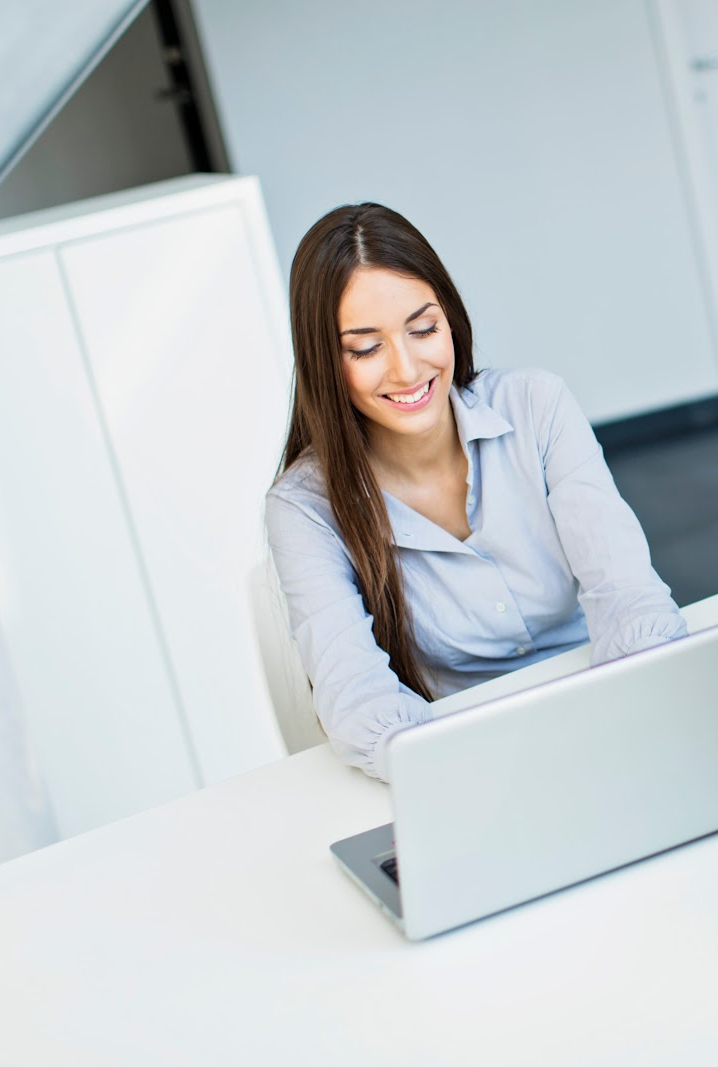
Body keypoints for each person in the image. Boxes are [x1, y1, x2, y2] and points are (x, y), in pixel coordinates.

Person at [266, 203, 687, 781]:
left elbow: (627, 595)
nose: (408, 369)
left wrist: (646, 700)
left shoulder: (536, 405)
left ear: (451, 320)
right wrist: (467, 775)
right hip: (468, 764)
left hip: (610, 714)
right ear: (323, 362)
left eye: (423, 329)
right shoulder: (304, 508)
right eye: (365, 348)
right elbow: (358, 700)